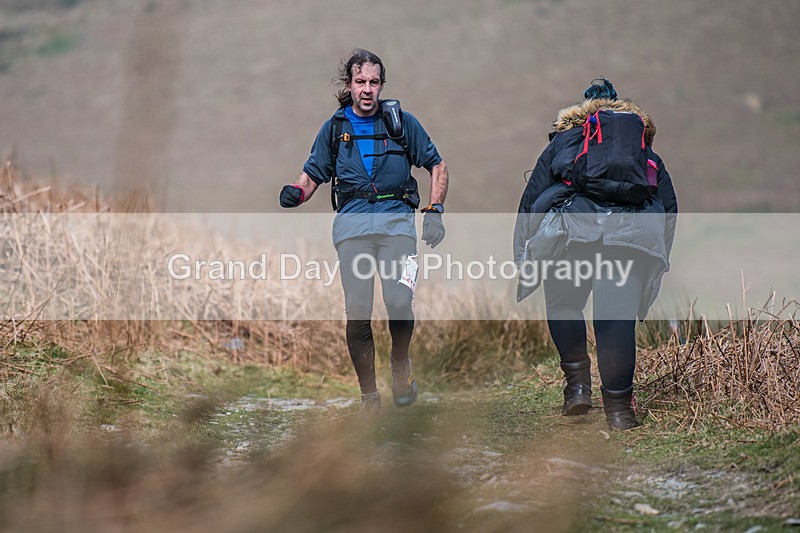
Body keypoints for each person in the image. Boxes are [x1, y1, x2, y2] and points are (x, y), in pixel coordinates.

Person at [279, 49, 449, 415]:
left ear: (381, 85)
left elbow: (437, 165)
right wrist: (297, 191)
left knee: (399, 301)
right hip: (353, 228)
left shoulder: (402, 123)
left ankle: (400, 365)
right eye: (360, 82)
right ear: (349, 85)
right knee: (358, 311)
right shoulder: (335, 128)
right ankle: (369, 396)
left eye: (373, 82)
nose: (367, 90)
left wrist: (434, 210)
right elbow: (313, 173)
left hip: (397, 225)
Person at [513, 78, 678, 430]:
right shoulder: (643, 149)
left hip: (572, 235)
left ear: (581, 114)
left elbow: (532, 199)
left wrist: (525, 253)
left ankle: (577, 389)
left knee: (564, 304)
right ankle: (619, 410)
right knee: (614, 320)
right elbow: (668, 207)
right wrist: (655, 258)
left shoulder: (565, 140)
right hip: (629, 241)